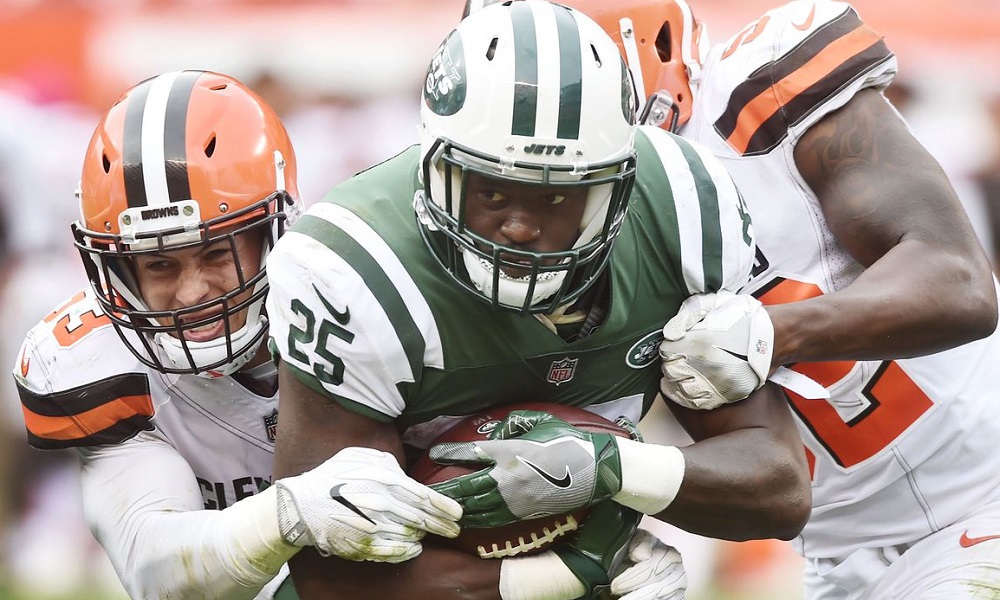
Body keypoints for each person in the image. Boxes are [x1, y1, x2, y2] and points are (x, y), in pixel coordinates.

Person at [265, 3, 811, 599]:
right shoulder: (355, 270)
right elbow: (328, 576)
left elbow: (778, 491)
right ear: (436, 170)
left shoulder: (678, 211)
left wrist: (611, 467)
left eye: (556, 198)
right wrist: (570, 576)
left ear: (618, 187)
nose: (520, 228)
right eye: (493, 192)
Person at [467, 1, 1000, 598]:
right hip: (837, 559)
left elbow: (959, 282)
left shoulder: (761, 91)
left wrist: (771, 332)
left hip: (985, 495)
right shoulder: (530, 231)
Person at [11, 69, 466, 600]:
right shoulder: (98, 361)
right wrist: (287, 515)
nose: (191, 291)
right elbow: (158, 570)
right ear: (117, 271)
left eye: (215, 253)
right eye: (158, 264)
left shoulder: (364, 302)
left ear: (275, 232)